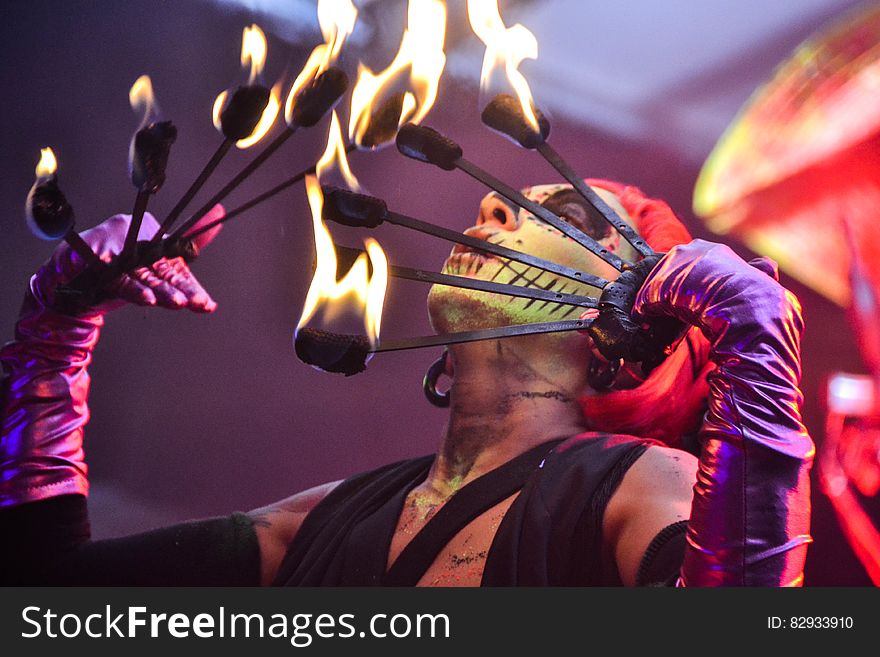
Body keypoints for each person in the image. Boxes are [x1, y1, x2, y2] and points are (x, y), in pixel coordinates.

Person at [0, 179, 814, 586]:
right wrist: (53, 337)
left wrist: (756, 342)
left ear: (637, 320)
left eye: (562, 211)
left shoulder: (642, 484)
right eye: (499, 203)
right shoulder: (325, 518)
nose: (489, 211)